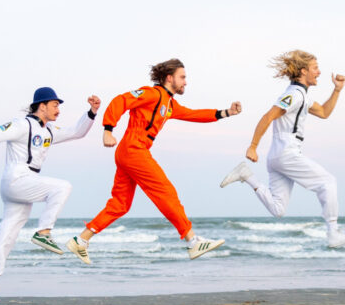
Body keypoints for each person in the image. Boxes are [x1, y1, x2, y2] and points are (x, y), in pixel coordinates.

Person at [65, 58, 242, 263]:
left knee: (121, 204)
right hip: (134, 149)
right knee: (165, 192)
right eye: (182, 77)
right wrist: (107, 130)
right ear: (169, 78)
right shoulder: (151, 94)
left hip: (131, 152)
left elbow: (193, 114)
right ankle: (192, 241)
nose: (186, 82)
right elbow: (120, 101)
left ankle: (81, 240)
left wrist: (226, 112)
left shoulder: (169, 103)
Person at [0, 88, 101, 305]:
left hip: (25, 184)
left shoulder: (48, 130)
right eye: (55, 105)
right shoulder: (21, 125)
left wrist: (92, 112)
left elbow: (76, 132)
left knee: (7, 234)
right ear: (42, 106)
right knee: (62, 187)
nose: (58, 110)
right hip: (17, 178)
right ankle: (43, 231)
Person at [219, 50, 345, 247]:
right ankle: (333, 232)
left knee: (278, 209)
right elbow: (268, 116)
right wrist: (253, 146)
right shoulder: (294, 95)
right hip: (287, 152)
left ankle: (247, 176)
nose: (319, 72)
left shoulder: (301, 95)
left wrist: (337, 90)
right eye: (315, 68)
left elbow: (323, 112)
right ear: (304, 71)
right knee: (328, 182)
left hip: (279, 155)